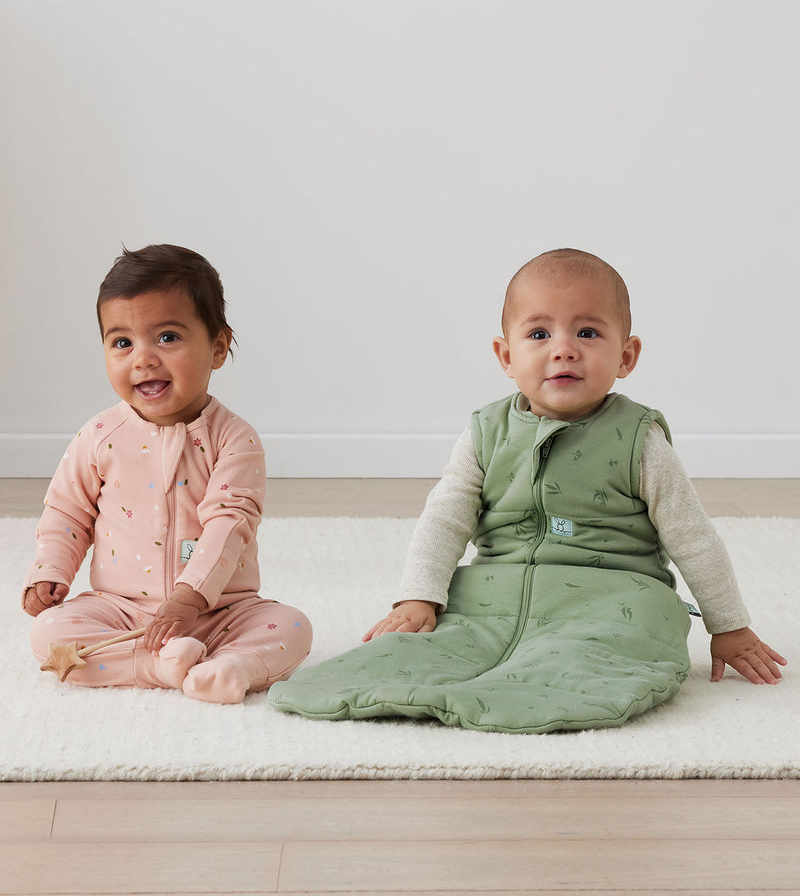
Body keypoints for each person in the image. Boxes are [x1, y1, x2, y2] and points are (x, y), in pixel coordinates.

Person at [269, 248, 785, 733]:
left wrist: (729, 625)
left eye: (587, 332)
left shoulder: (640, 439)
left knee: (613, 638)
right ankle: (430, 677)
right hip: (497, 588)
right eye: (539, 334)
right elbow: (445, 519)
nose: (563, 349)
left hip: (612, 594)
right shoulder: (485, 433)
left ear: (626, 356)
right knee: (433, 638)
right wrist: (419, 596)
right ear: (505, 355)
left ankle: (547, 684)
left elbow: (692, 537)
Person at [23, 244, 312, 704]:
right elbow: (67, 512)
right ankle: (159, 665)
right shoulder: (100, 434)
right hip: (120, 610)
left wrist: (189, 599)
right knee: (49, 634)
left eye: (167, 338)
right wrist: (50, 571)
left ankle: (231, 665)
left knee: (293, 627)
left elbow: (229, 524)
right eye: (122, 342)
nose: (143, 358)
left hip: (219, 610)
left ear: (217, 347)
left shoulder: (234, 439)